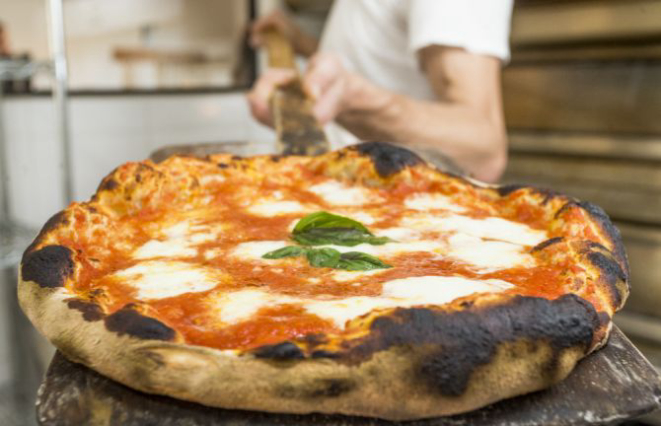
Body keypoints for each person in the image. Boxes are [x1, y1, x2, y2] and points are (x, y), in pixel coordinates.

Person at [247, 0, 514, 182]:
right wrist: (299, 41)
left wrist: (352, 100)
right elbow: (370, 65)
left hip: (400, 219)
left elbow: (484, 150)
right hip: (336, 195)